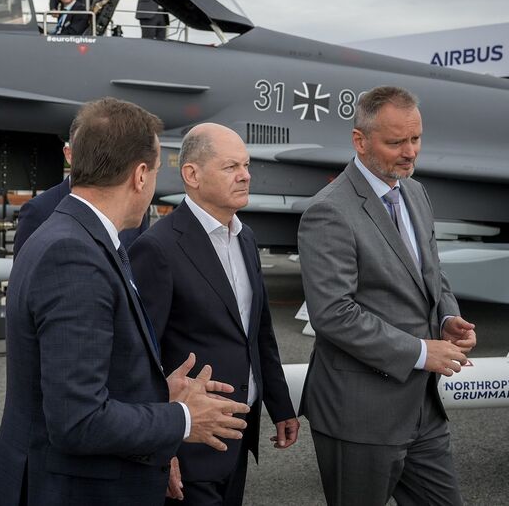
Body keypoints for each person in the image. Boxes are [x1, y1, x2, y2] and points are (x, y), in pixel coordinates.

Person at [0, 97, 250, 506]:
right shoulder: (73, 255)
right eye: (158, 170)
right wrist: (182, 418)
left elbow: (89, 369)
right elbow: (78, 419)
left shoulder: (78, 234)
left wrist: (159, 391)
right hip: (69, 489)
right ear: (140, 175)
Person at [297, 86, 477, 506]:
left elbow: (432, 275)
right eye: (395, 142)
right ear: (360, 140)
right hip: (359, 418)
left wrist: (448, 318)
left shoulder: (415, 192)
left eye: (415, 139)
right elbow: (333, 313)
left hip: (423, 412)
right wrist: (419, 351)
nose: (410, 152)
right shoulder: (329, 211)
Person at [130, 123, 299, 505]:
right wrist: (161, 446)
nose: (245, 175)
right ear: (192, 174)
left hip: (238, 434)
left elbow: (258, 333)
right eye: (230, 167)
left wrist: (280, 406)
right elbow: (141, 358)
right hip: (189, 442)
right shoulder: (157, 249)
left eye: (246, 164)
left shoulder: (246, 237)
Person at [14, 117, 148, 256]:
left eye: (105, 151)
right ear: (68, 154)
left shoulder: (132, 211)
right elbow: (25, 273)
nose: (97, 159)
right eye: (87, 150)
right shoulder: (39, 211)